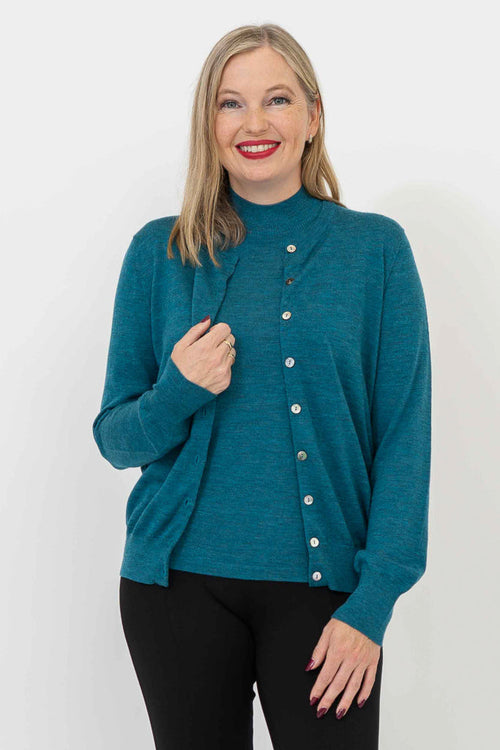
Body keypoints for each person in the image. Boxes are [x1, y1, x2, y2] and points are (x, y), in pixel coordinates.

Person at [92, 23, 432, 750]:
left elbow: (405, 436)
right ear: (208, 124)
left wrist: (373, 603)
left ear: (313, 116)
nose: (254, 123)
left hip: (328, 598)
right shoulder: (160, 252)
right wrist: (177, 391)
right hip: (175, 588)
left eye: (277, 99)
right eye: (230, 103)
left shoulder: (375, 251)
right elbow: (114, 439)